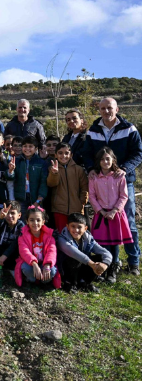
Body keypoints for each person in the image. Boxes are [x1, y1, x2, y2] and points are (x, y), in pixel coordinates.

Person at [81, 97, 142, 276]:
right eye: (103, 108)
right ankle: (110, 261)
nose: (106, 111)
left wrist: (124, 169)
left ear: (117, 109)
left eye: (109, 108)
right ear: (99, 110)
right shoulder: (93, 130)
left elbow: (138, 153)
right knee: (104, 225)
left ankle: (133, 262)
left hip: (123, 181)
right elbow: (87, 153)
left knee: (128, 222)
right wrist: (91, 168)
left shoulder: (129, 128)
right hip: (100, 181)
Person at [88, 147, 134, 284]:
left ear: (113, 159)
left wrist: (114, 211)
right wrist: (101, 211)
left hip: (115, 215)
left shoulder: (119, 176)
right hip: (101, 214)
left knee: (115, 243)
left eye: (107, 158)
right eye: (102, 159)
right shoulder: (94, 177)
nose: (105, 161)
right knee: (102, 243)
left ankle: (113, 269)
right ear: (98, 161)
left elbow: (124, 196)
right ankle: (103, 268)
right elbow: (92, 196)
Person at [55, 213, 111, 293]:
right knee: (75, 257)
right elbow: (74, 252)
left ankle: (83, 282)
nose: (76, 230)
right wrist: (92, 265)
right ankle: (69, 283)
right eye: (73, 226)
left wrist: (105, 264)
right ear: (67, 227)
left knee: (101, 257)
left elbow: (105, 253)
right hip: (67, 270)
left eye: (79, 227)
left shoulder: (88, 239)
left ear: (85, 228)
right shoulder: (62, 239)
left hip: (82, 267)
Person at [14, 207, 59, 289]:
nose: (35, 223)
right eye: (31, 220)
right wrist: (34, 264)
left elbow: (51, 251)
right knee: (25, 267)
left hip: (44, 264)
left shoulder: (50, 236)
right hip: (31, 264)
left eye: (38, 220)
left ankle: (43, 282)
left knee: (52, 270)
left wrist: (47, 265)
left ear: (43, 222)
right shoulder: (22, 235)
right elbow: (24, 251)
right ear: (27, 221)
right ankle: (33, 280)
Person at [46, 143, 88, 232]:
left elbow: (84, 188)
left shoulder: (78, 169)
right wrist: (54, 173)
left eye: (66, 153)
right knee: (63, 235)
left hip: (76, 209)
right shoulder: (52, 168)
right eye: (60, 153)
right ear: (56, 155)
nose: (63, 156)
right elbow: (51, 184)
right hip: (59, 209)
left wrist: (81, 203)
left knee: (76, 234)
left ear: (71, 155)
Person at [8, 136, 48, 210]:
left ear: (36, 149)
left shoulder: (41, 163)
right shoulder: (16, 161)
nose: (27, 149)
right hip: (20, 199)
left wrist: (39, 199)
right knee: (22, 219)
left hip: (35, 198)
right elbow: (11, 178)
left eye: (30, 146)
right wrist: (10, 171)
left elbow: (43, 182)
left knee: (34, 220)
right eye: (25, 146)